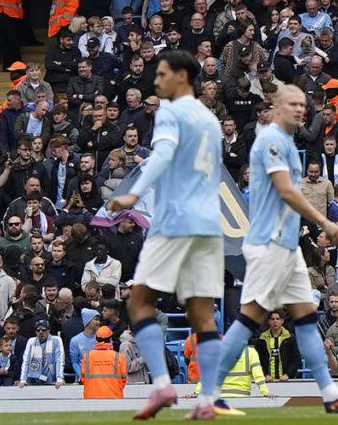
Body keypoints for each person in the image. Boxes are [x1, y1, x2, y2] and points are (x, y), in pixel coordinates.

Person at [196, 84, 338, 415]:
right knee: (249, 319)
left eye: (303, 104)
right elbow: (286, 190)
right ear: (275, 107)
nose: (299, 109)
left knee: (305, 318)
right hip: (269, 245)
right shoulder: (273, 141)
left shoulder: (286, 142)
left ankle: (331, 394)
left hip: (286, 249)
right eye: (292, 104)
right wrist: (327, 222)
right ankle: (210, 394)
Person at [107, 47, 225, 419]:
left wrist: (133, 192)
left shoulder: (172, 112)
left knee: (139, 302)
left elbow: (162, 155)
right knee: (202, 312)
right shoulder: (210, 120)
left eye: (162, 74)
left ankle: (161, 385)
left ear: (182, 77)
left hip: (175, 220)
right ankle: (207, 398)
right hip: (209, 225)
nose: (156, 81)